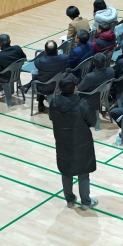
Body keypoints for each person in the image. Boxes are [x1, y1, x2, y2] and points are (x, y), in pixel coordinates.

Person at [49, 76, 98, 209]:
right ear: (75, 88)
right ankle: (86, 202)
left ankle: (70, 200)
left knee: (66, 171)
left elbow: (51, 117)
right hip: (81, 142)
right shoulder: (82, 104)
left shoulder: (53, 102)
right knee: (83, 173)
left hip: (62, 142)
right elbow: (92, 121)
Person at [26, 40, 69, 113]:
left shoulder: (39, 61)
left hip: (44, 88)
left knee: (35, 74)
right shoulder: (64, 58)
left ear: (45, 51)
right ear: (57, 50)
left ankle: (40, 103)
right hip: (59, 86)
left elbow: (37, 66)